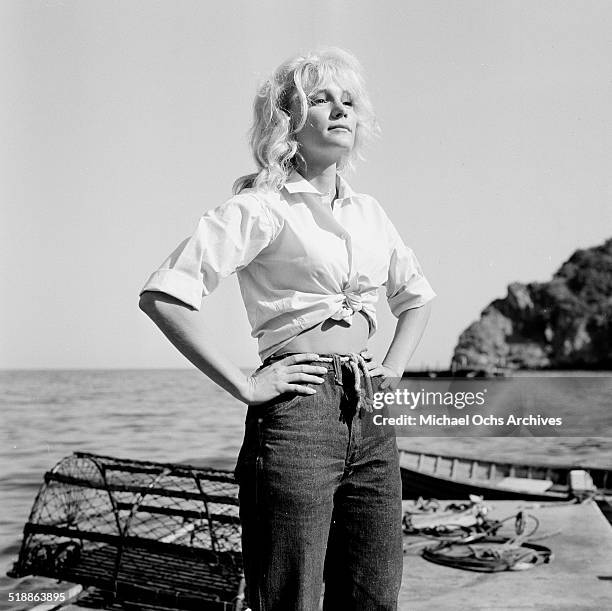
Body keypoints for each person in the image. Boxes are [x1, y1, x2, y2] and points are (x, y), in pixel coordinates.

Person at [139, 47, 435, 611]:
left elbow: (416, 298)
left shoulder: (370, 212)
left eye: (348, 100)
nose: (340, 110)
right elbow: (164, 297)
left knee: (374, 594)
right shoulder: (260, 207)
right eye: (320, 99)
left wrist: (392, 368)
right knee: (289, 596)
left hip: (370, 412)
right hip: (298, 412)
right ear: (287, 119)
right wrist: (247, 386)